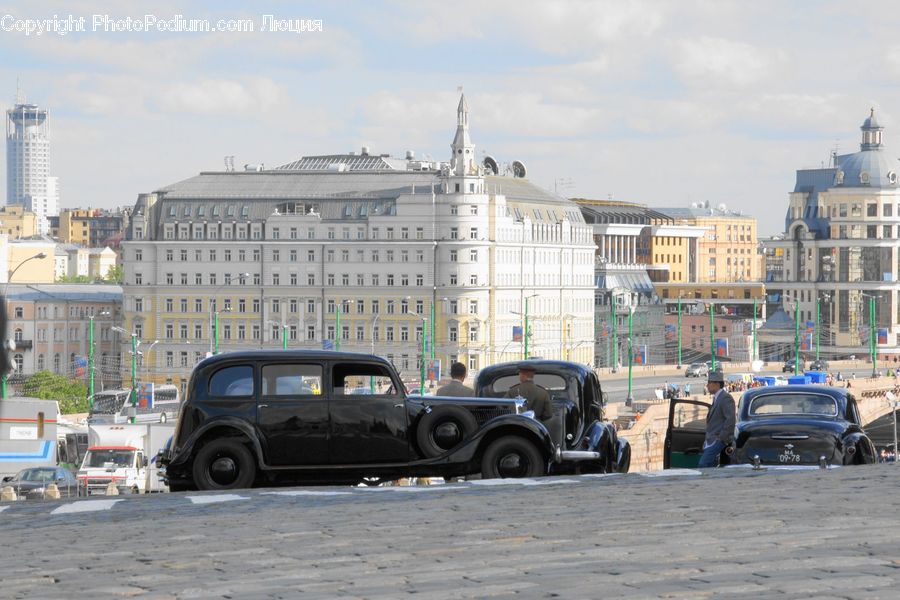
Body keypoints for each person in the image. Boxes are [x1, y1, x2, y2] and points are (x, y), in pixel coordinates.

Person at [698, 371, 736, 468]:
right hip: (711, 441)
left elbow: (730, 420)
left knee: (703, 464)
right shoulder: (717, 398)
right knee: (710, 467)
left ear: (717, 384)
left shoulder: (725, 398)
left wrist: (721, 439)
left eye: (709, 382)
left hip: (718, 440)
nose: (707, 385)